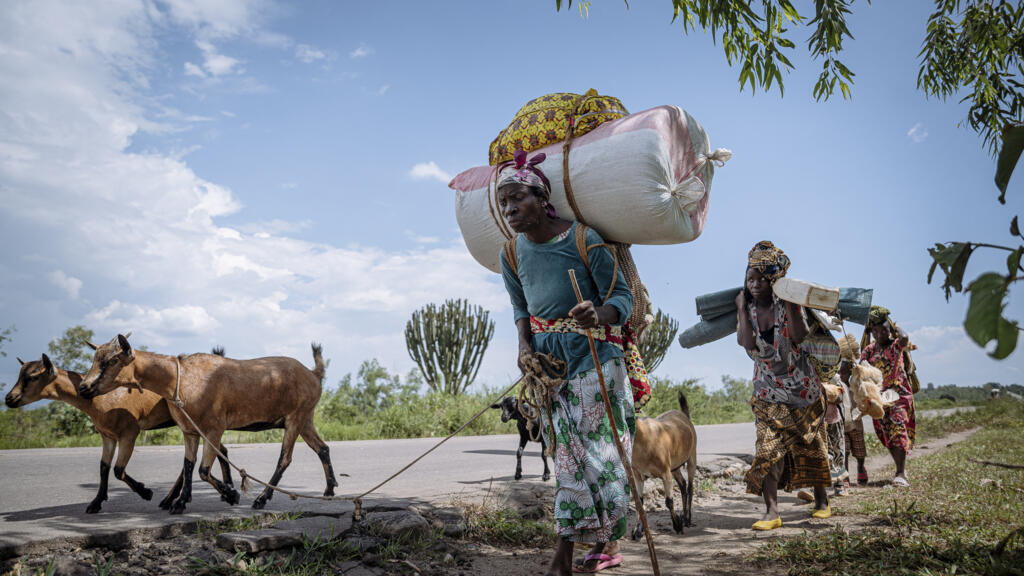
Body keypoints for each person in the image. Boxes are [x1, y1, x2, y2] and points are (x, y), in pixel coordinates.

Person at [498, 150, 636, 575]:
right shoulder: (512, 252)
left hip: (595, 362)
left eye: (517, 199)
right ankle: (598, 547)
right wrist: (524, 347)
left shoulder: (584, 239)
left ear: (542, 198)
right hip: (550, 370)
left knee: (599, 457)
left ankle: (570, 555)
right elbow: (520, 308)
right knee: (569, 456)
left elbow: (623, 298)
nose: (509, 210)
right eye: (504, 203)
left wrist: (601, 313)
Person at [736, 241, 831, 530]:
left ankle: (822, 501)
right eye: (750, 279)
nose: (754, 284)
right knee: (766, 449)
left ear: (774, 282)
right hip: (767, 391)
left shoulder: (786, 304)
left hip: (802, 390)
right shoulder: (748, 308)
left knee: (811, 445)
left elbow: (801, 337)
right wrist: (741, 309)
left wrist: (792, 304)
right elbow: (746, 342)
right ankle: (771, 512)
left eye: (761, 279)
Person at [860, 306, 916, 487]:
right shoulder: (869, 350)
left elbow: (905, 338)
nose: (879, 334)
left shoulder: (895, 345)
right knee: (886, 433)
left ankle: (900, 473)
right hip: (878, 397)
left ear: (889, 330)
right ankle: (900, 468)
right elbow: (862, 370)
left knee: (898, 429)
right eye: (875, 331)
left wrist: (895, 326)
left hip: (898, 394)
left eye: (883, 330)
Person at [839, 358, 868, 485]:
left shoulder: (856, 386)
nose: (841, 375)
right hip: (842, 425)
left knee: (860, 452)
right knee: (844, 451)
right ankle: (845, 476)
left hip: (856, 424)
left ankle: (861, 467)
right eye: (839, 372)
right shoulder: (836, 387)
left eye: (844, 373)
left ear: (850, 373)